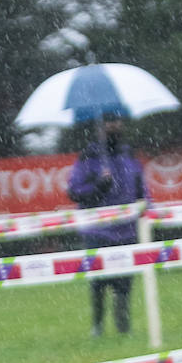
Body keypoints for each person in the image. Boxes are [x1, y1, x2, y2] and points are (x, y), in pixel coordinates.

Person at [67, 114, 146, 336]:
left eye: (117, 121)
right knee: (99, 282)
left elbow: (142, 189)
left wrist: (146, 207)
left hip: (126, 230)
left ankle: (123, 328)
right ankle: (98, 327)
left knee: (124, 283)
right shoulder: (88, 157)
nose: (113, 126)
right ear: (100, 127)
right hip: (97, 231)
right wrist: (99, 186)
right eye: (109, 122)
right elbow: (74, 191)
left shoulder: (129, 155)